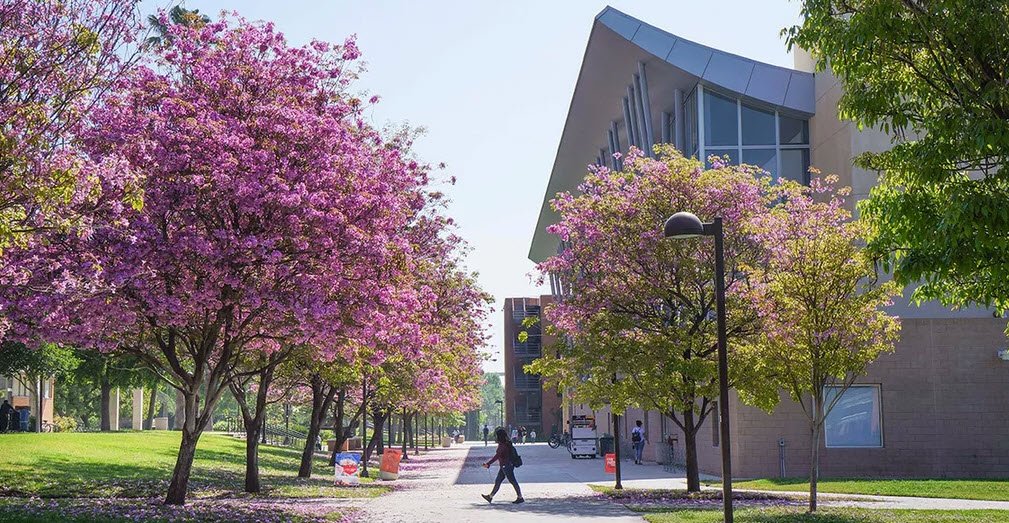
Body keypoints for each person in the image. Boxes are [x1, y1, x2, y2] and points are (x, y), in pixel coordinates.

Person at [481, 428, 524, 504]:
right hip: (506, 466)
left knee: (512, 481)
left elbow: (497, 456)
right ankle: (490, 496)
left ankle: (520, 497)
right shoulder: (507, 443)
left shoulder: (502, 445)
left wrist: (488, 464)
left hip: (506, 466)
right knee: (498, 481)